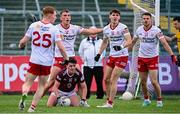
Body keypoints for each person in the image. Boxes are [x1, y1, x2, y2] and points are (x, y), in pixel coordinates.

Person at [18, 6, 68, 112]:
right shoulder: (54, 29)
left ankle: (24, 94)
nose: (55, 17)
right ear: (49, 15)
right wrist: (66, 58)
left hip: (34, 61)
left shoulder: (33, 25)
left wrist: (20, 45)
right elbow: (61, 47)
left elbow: (23, 41)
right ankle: (32, 107)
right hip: (46, 63)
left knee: (27, 83)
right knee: (41, 86)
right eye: (54, 15)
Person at [43, 9, 103, 95]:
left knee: (80, 79)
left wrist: (104, 29)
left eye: (68, 15)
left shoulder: (75, 28)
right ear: (61, 18)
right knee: (51, 82)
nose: (67, 17)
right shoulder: (55, 28)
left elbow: (91, 31)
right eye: (65, 15)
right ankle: (38, 98)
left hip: (71, 58)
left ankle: (82, 100)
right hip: (59, 58)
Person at [131, 12, 177, 107]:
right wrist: (123, 49)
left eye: (147, 18)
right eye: (144, 18)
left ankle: (159, 100)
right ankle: (146, 99)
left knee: (153, 81)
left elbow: (164, 43)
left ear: (151, 19)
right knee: (143, 82)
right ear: (142, 20)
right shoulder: (139, 30)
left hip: (152, 58)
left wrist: (172, 55)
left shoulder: (156, 30)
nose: (145, 20)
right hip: (141, 58)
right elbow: (132, 42)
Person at [95, 9, 132, 108]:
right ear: (109, 16)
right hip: (112, 56)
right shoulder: (106, 29)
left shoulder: (123, 27)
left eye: (117, 15)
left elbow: (129, 41)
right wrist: (99, 54)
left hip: (122, 56)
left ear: (119, 17)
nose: (115, 17)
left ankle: (110, 103)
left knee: (113, 79)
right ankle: (108, 101)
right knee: (106, 79)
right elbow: (104, 42)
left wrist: (121, 47)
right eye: (113, 15)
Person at [78, 26, 105, 99]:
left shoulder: (101, 41)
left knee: (99, 82)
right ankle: (86, 95)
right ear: (88, 32)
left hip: (98, 65)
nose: (93, 33)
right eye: (91, 31)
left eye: (95, 31)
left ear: (97, 32)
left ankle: (100, 95)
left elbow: (104, 52)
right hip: (87, 66)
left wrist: (100, 58)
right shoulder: (84, 41)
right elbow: (80, 52)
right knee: (87, 82)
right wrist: (84, 59)